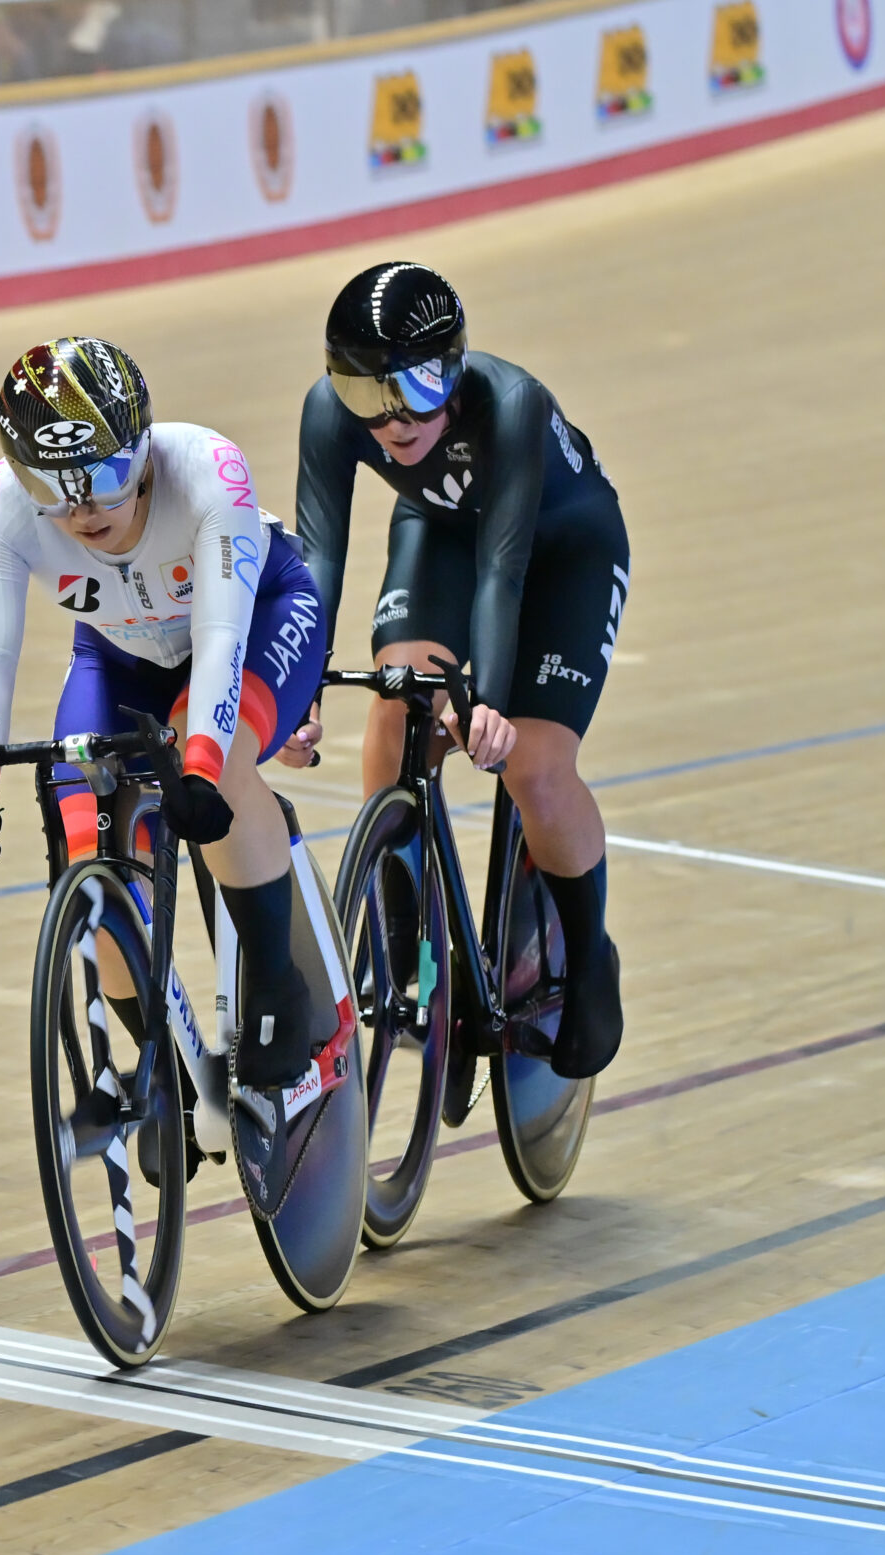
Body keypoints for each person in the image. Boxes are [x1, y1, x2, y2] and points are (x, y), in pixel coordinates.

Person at [0, 336, 330, 1092]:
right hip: (120, 658)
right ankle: (169, 1071)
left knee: (210, 756)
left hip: (257, 620)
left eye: (107, 478)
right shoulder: (0, 507)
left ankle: (278, 984)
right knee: (89, 854)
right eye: (52, 490)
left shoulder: (207, 469)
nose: (83, 510)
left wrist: (205, 765)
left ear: (144, 448)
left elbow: (219, 640)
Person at [286, 261, 630, 1081]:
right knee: (396, 714)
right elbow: (320, 555)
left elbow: (504, 572)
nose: (392, 419)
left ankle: (590, 959)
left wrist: (494, 704)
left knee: (535, 770)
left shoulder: (513, 402)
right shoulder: (329, 416)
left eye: (413, 386)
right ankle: (402, 935)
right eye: (365, 395)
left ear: (454, 363)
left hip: (562, 554)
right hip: (441, 532)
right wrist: (296, 692)